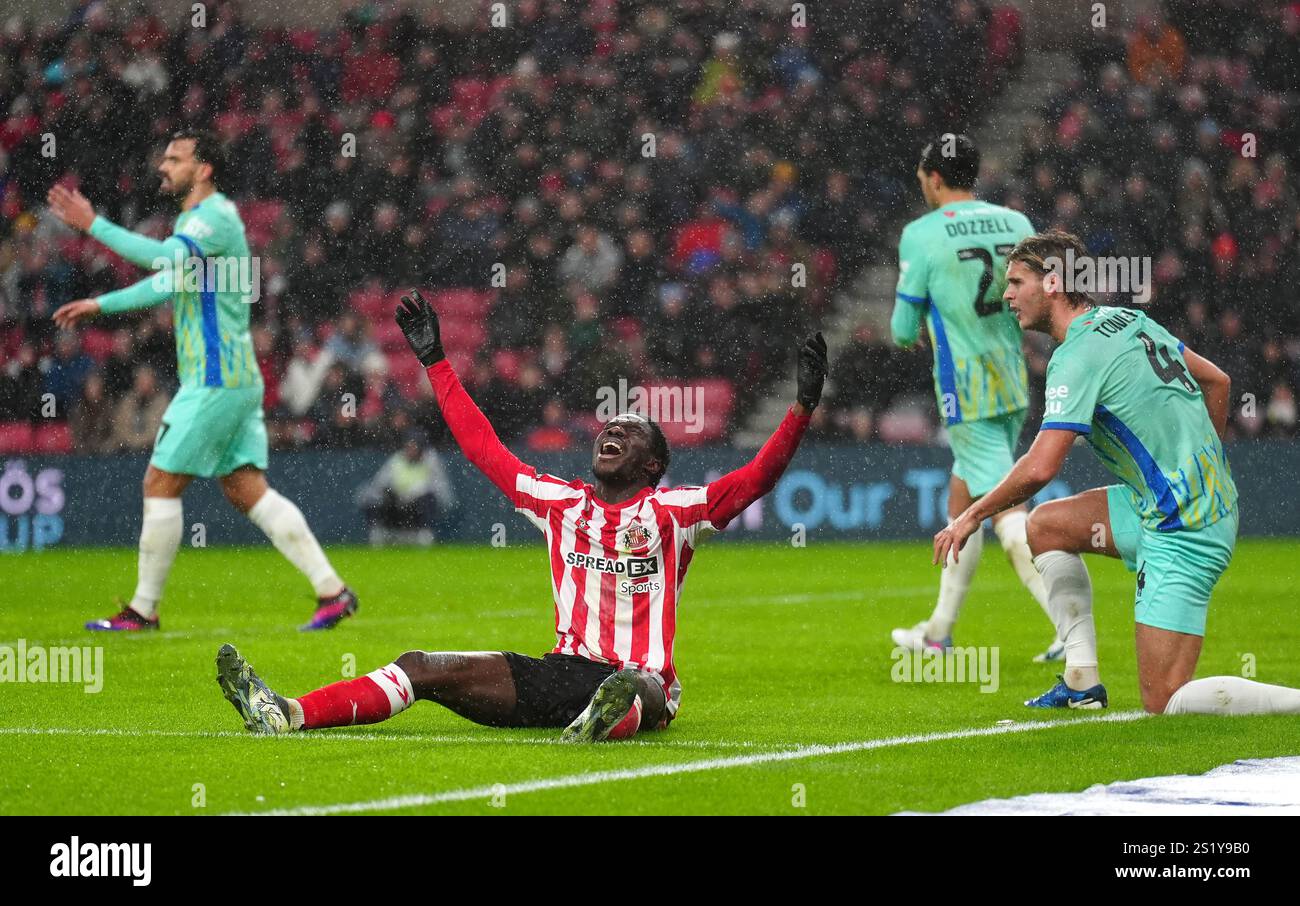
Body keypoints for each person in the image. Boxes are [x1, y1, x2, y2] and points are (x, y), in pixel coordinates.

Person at [215, 290, 829, 742]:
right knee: (420, 667)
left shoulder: (674, 511)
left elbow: (755, 480)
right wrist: (436, 362)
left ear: (652, 465)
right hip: (559, 676)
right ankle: (287, 712)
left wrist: (800, 406)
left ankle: (610, 715)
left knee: (635, 683)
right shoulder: (559, 503)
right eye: (608, 426)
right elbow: (483, 448)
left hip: (644, 683)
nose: (611, 431)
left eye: (630, 432)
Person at [934, 230, 1300, 715]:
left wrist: (970, 516)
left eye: (1017, 281)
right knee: (1042, 527)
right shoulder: (1126, 319)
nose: (1006, 294)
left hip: (1184, 528)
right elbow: (1217, 380)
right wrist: (1199, 463)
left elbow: (1041, 466)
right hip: (1169, 504)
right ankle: (1081, 682)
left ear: (1053, 283)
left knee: (1165, 701)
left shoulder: (1076, 356)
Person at [48, 129, 357, 632]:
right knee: (245, 488)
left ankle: (143, 611)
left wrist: (94, 225)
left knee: (160, 481)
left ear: (205, 168)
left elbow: (164, 261)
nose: (163, 166)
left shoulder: (214, 218)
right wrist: (101, 305)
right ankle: (333, 591)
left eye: (175, 158)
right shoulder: (196, 225)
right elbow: (168, 280)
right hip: (231, 379)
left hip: (216, 380)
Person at [889, 134, 1061, 660]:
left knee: (1007, 511)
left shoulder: (921, 234)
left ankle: (1068, 623)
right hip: (1012, 379)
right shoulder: (1016, 224)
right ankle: (939, 631)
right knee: (962, 502)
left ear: (933, 178)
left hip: (965, 389)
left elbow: (900, 329)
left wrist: (917, 324)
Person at [357, 430, 456, 545]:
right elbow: (379, 484)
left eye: (415, 446)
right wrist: (392, 494)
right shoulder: (396, 460)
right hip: (396, 505)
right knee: (372, 498)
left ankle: (424, 534)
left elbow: (441, 490)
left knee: (428, 498)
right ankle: (379, 532)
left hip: (418, 506)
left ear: (421, 448)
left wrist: (415, 493)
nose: (411, 449)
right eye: (409, 446)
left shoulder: (431, 461)